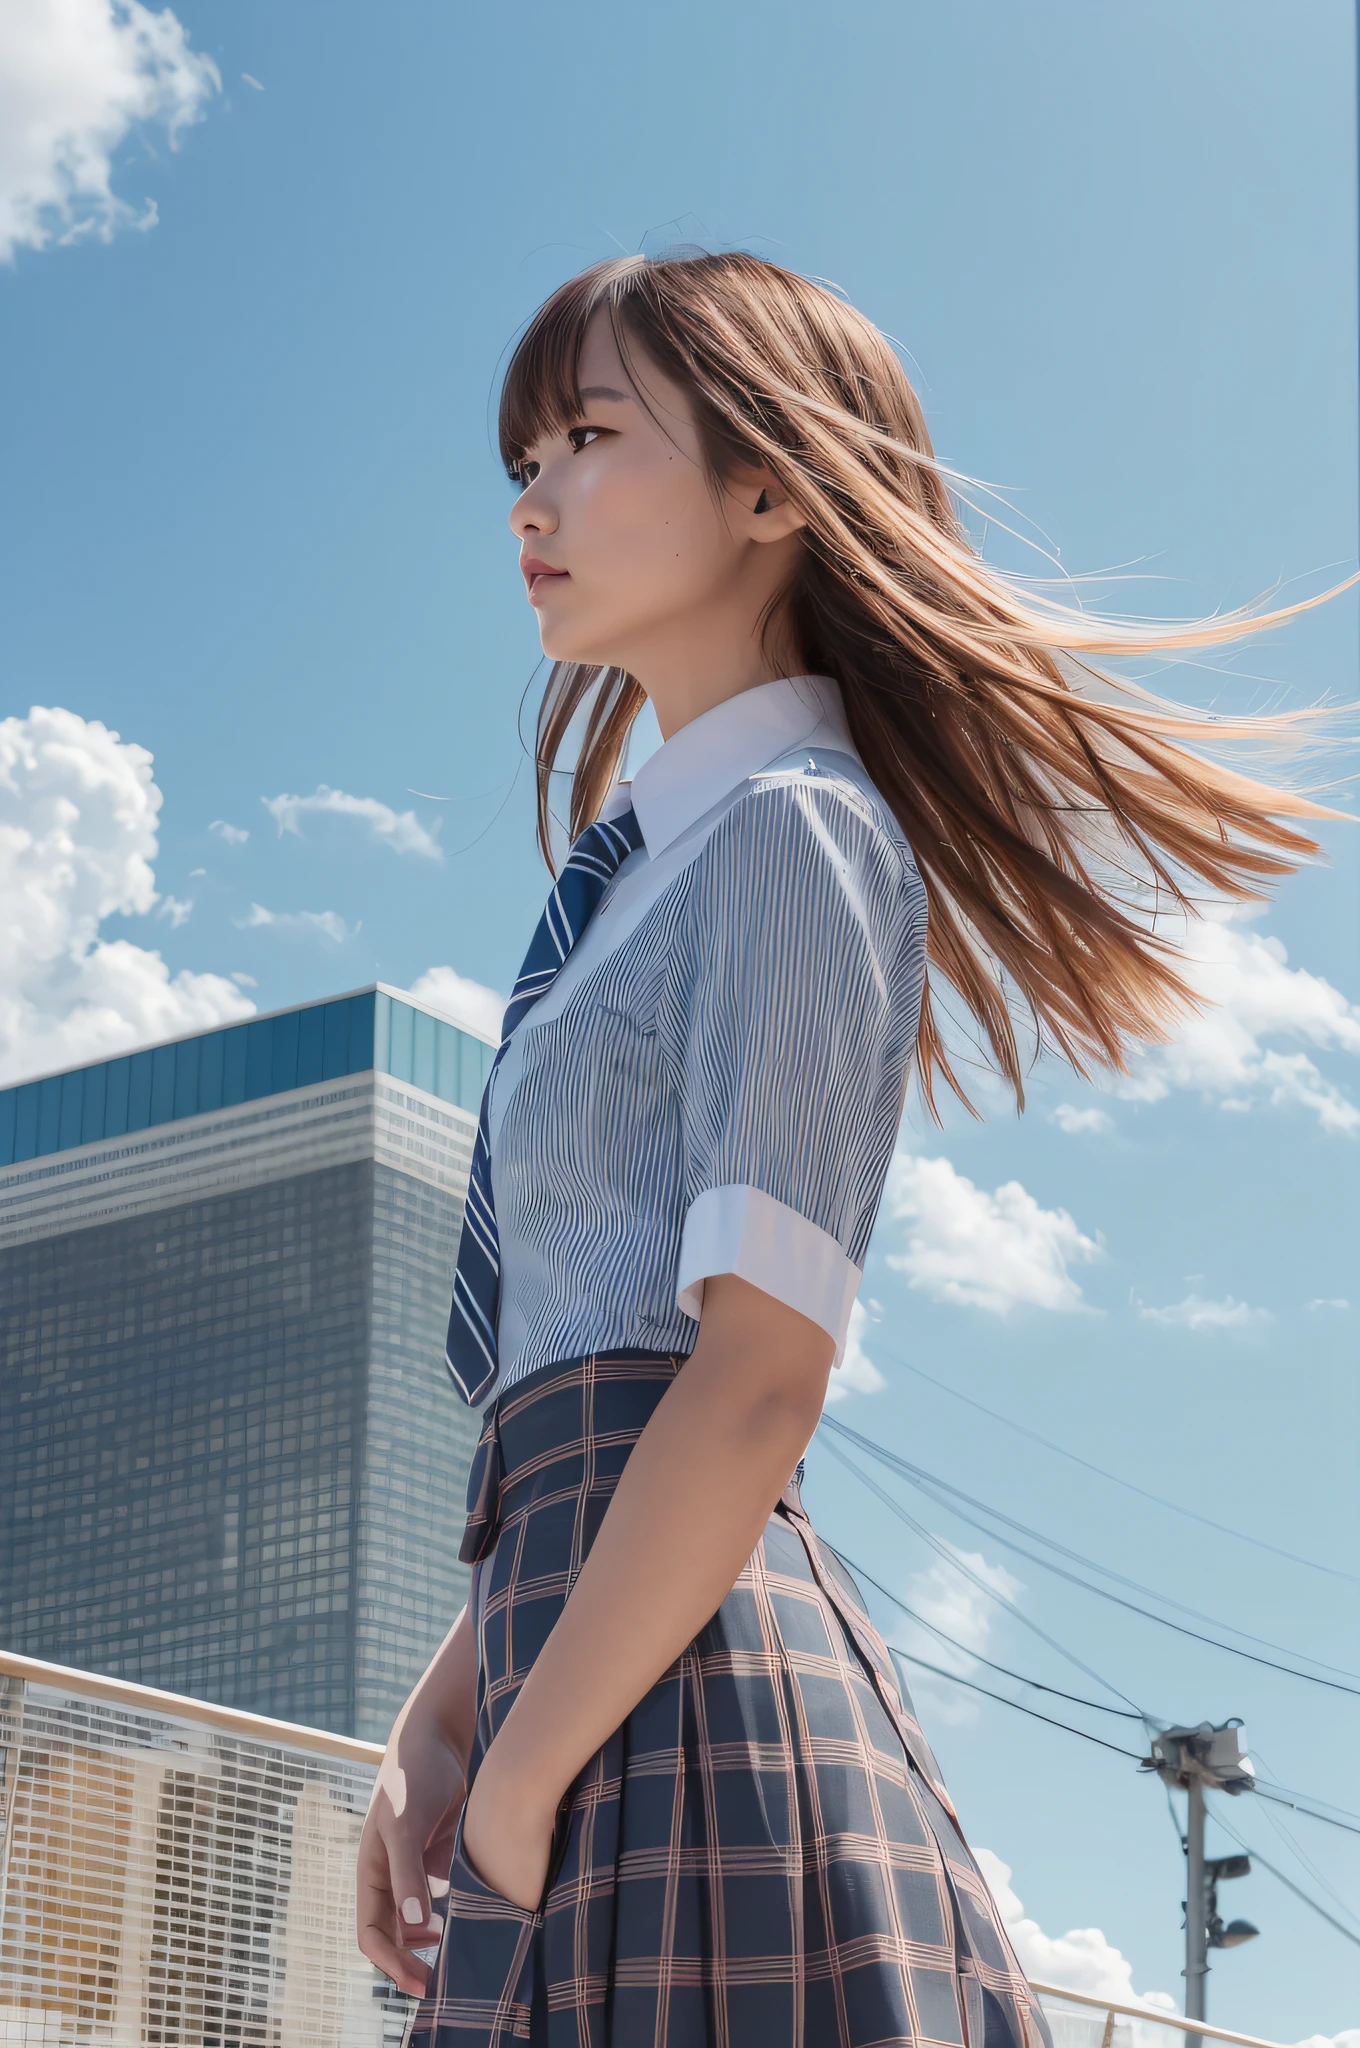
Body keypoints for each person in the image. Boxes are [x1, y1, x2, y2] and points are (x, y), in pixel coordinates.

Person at [356, 250, 1340, 2047]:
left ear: (772, 485)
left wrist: (513, 1785)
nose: (536, 499)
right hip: (593, 1664)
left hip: (663, 1713)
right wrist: (457, 1691)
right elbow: (602, 1350)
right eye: (523, 461)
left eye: (586, 436)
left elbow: (749, 1384)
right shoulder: (658, 862)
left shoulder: (796, 834)